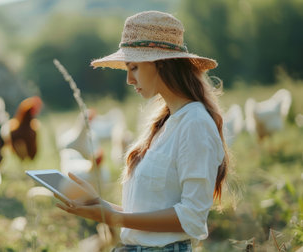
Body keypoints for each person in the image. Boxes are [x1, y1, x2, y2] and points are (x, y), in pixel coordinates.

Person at [55, 10, 230, 252]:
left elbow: (191, 218)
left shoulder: (195, 124)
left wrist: (116, 218)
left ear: (161, 64)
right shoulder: (165, 123)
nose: (128, 79)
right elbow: (150, 213)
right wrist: (99, 204)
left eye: (134, 67)